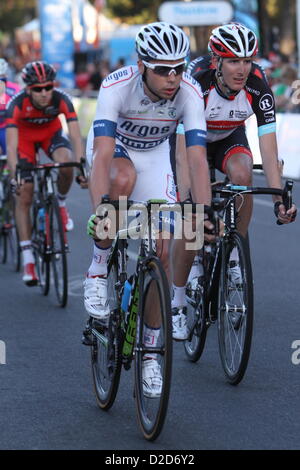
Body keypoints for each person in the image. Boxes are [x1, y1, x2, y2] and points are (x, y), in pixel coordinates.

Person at [83, 22, 212, 397]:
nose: (172, 77)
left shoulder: (188, 91)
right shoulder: (116, 85)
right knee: (120, 182)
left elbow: (198, 159)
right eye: (162, 69)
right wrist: (100, 213)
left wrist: (202, 214)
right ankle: (97, 268)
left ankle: (152, 353)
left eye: (179, 67)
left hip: (156, 158)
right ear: (142, 65)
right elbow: (102, 155)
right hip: (118, 149)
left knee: (163, 251)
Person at [177, 23, 296, 247]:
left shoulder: (258, 88)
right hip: (193, 140)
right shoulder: (196, 85)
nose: (242, 70)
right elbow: (184, 158)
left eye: (247, 61)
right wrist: (185, 200)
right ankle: (191, 260)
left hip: (228, 136)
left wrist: (278, 201)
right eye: (233, 61)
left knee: (243, 173)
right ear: (216, 62)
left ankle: (234, 252)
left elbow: (269, 153)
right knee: (192, 202)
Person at [6, 61, 86, 286]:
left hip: (51, 136)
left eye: (48, 87)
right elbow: (11, 148)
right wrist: (15, 175)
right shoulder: (16, 104)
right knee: (25, 193)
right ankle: (29, 259)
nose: (44, 93)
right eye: (38, 89)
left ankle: (60, 204)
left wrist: (81, 165)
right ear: (28, 89)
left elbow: (76, 136)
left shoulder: (62, 99)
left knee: (67, 163)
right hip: (24, 141)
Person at [0, 58, 20, 155]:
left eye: (2, 76)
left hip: (8, 127)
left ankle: (7, 168)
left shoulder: (14, 88)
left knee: (10, 152)